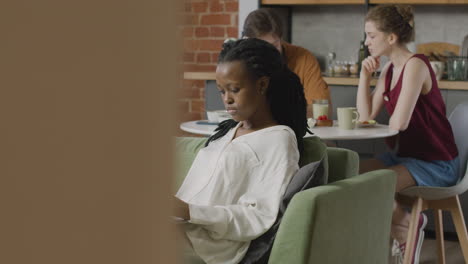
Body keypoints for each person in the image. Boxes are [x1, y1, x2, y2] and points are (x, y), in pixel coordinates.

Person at [173, 38, 310, 264]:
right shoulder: (228, 132)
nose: (227, 99)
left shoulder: (279, 139)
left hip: (213, 246)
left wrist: (189, 212)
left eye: (234, 89)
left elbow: (258, 216)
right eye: (221, 91)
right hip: (184, 229)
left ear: (262, 85)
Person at [356, 4, 460, 263]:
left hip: (436, 162)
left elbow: (399, 123)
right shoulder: (389, 69)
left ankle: (405, 230)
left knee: (374, 184)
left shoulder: (416, 66)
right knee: (352, 175)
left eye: (371, 35)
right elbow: (365, 116)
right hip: (406, 156)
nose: (367, 42)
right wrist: (364, 76)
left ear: (391, 38)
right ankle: (405, 224)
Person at [242, 8, 331, 118]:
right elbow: (239, 109)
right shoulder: (240, 62)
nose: (271, 52)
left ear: (281, 39)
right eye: (263, 47)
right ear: (248, 43)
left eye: (275, 45)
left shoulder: (304, 58)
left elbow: (322, 110)